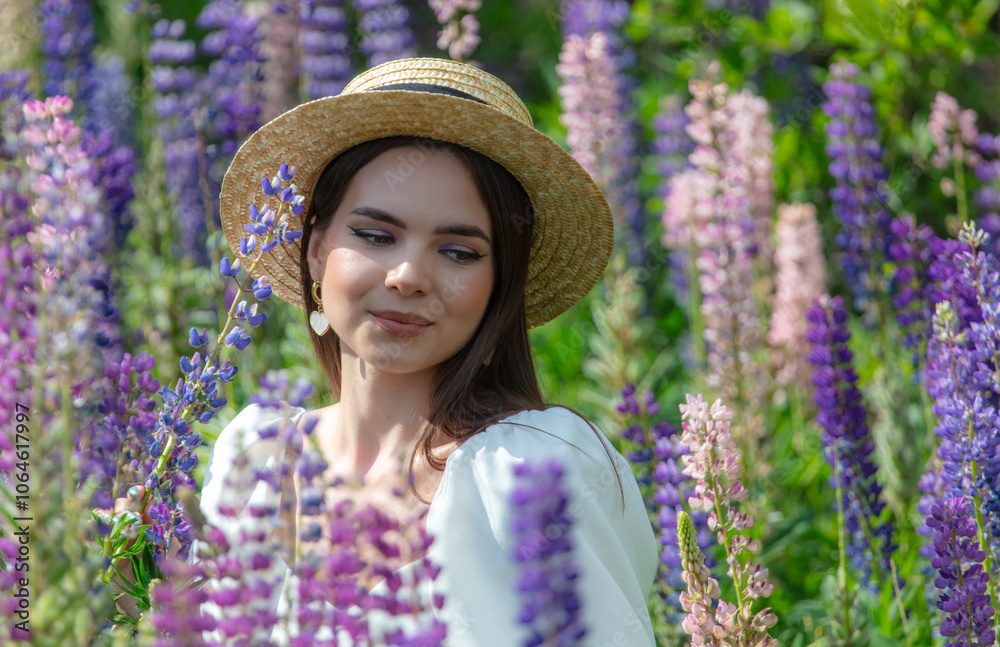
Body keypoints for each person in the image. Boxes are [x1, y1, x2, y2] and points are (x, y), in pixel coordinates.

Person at [117, 56, 658, 645]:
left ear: (499, 283)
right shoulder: (254, 461)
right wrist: (148, 605)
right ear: (317, 248)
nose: (407, 275)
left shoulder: (529, 467)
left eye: (459, 252)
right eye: (375, 236)